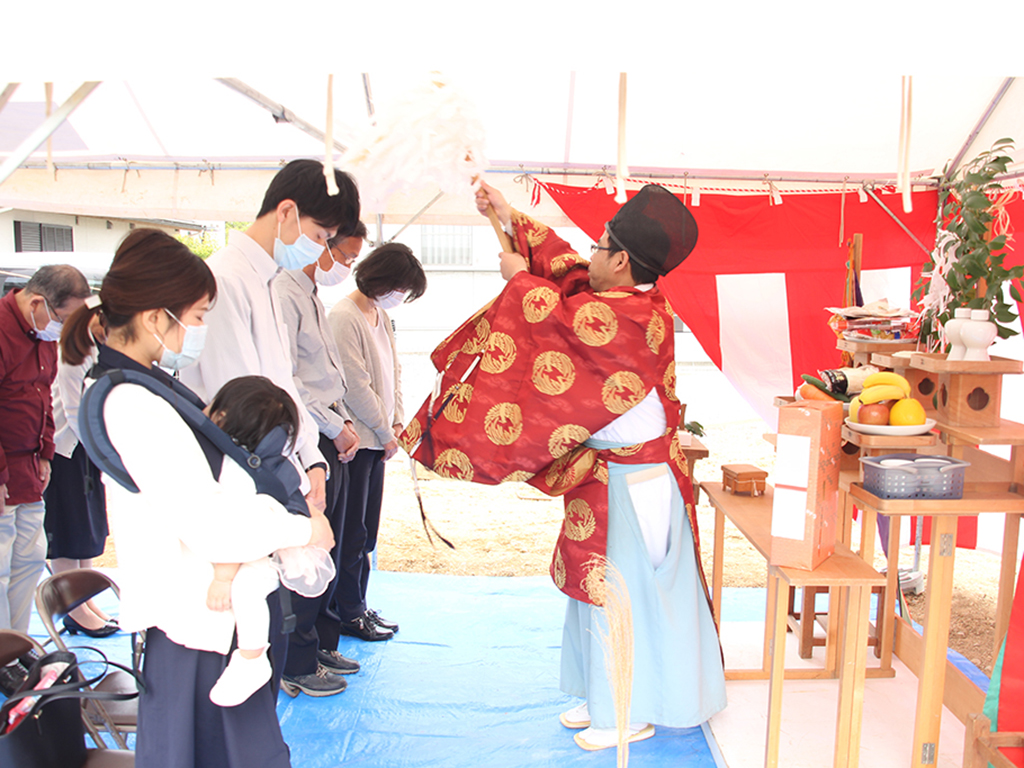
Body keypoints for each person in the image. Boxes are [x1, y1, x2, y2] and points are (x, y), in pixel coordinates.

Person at [400, 182, 727, 750]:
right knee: (593, 594)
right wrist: (508, 216)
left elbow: (557, 314)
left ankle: (628, 709)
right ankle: (601, 695)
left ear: (623, 260)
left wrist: (517, 281)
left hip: (636, 482)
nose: (591, 253)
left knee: (621, 597)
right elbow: (571, 275)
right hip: (611, 477)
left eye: (602, 246)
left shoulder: (632, 318)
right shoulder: (620, 301)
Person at [62, 229, 333, 767]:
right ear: (156, 318)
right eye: (200, 315)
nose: (201, 330)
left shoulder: (146, 388)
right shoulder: (134, 404)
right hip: (198, 624)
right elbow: (212, 527)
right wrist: (305, 529)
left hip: (209, 620)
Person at [181, 158, 360, 697]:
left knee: (268, 618)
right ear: (286, 212)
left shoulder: (267, 279)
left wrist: (312, 461)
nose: (321, 248)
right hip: (248, 475)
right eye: (321, 234)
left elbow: (285, 385)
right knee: (248, 624)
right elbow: (246, 403)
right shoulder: (226, 280)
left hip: (279, 464)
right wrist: (295, 480)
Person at [203, 375, 337, 708]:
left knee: (246, 589)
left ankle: (251, 658)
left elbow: (237, 534)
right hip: (279, 547)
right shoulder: (271, 461)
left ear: (224, 417)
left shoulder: (237, 470)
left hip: (265, 553)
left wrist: (222, 578)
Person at [273, 223, 366, 688]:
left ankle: (321, 644)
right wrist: (332, 428)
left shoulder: (311, 293)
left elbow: (330, 377)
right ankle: (297, 661)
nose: (346, 268)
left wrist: (343, 422)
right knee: (308, 551)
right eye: (345, 257)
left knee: (334, 543)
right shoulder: (283, 293)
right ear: (319, 244)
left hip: (330, 431)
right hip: (310, 436)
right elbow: (291, 383)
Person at [328, 242, 426, 641]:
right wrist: (386, 433)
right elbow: (355, 385)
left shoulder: (380, 315)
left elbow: (393, 374)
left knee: (366, 532)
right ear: (381, 279)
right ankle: (347, 611)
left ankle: (358, 604)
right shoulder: (343, 317)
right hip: (359, 441)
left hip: (381, 438)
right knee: (350, 533)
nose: (399, 296)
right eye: (399, 287)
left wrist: (398, 422)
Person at [0, 264, 90, 635]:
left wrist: (46, 452)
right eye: (63, 318)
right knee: (1, 565)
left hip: (30, 467)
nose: (63, 329)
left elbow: (43, 397)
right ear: (38, 302)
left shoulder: (43, 336)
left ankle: (16, 646)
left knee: (29, 559)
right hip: (5, 469)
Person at [44, 312, 117, 638]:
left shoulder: (96, 348)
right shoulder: (71, 352)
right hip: (64, 449)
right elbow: (75, 411)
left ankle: (86, 600)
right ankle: (72, 607)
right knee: (67, 530)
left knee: (87, 529)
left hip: (84, 448)